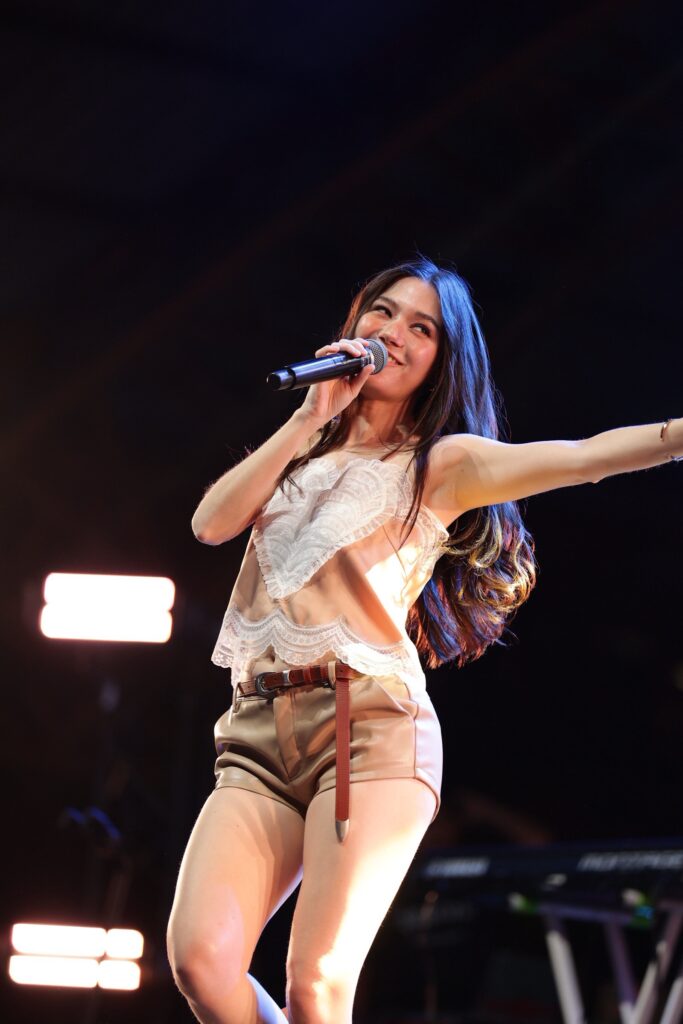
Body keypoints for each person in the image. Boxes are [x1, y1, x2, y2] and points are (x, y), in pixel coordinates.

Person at [166, 257, 681, 1024]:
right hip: (253, 732)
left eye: (422, 329)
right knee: (201, 963)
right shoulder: (298, 452)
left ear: (442, 359)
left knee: (317, 983)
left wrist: (674, 437)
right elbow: (210, 524)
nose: (394, 334)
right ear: (353, 323)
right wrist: (308, 417)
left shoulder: (438, 464)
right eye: (382, 312)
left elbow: (584, 457)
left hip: (367, 729)